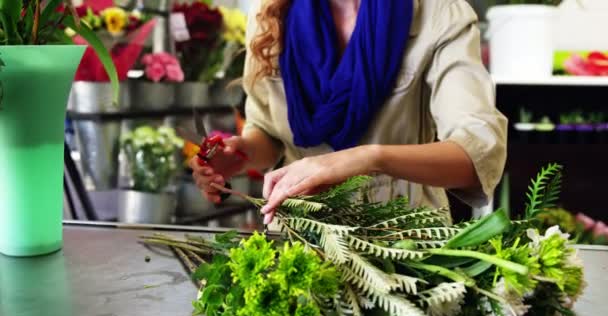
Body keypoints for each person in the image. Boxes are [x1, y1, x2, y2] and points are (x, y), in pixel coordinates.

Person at [189, 0, 508, 226]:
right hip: (301, 241)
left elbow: (476, 154)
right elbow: (267, 132)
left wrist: (367, 158)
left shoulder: (438, 13)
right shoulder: (271, 14)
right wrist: (242, 153)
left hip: (405, 241)